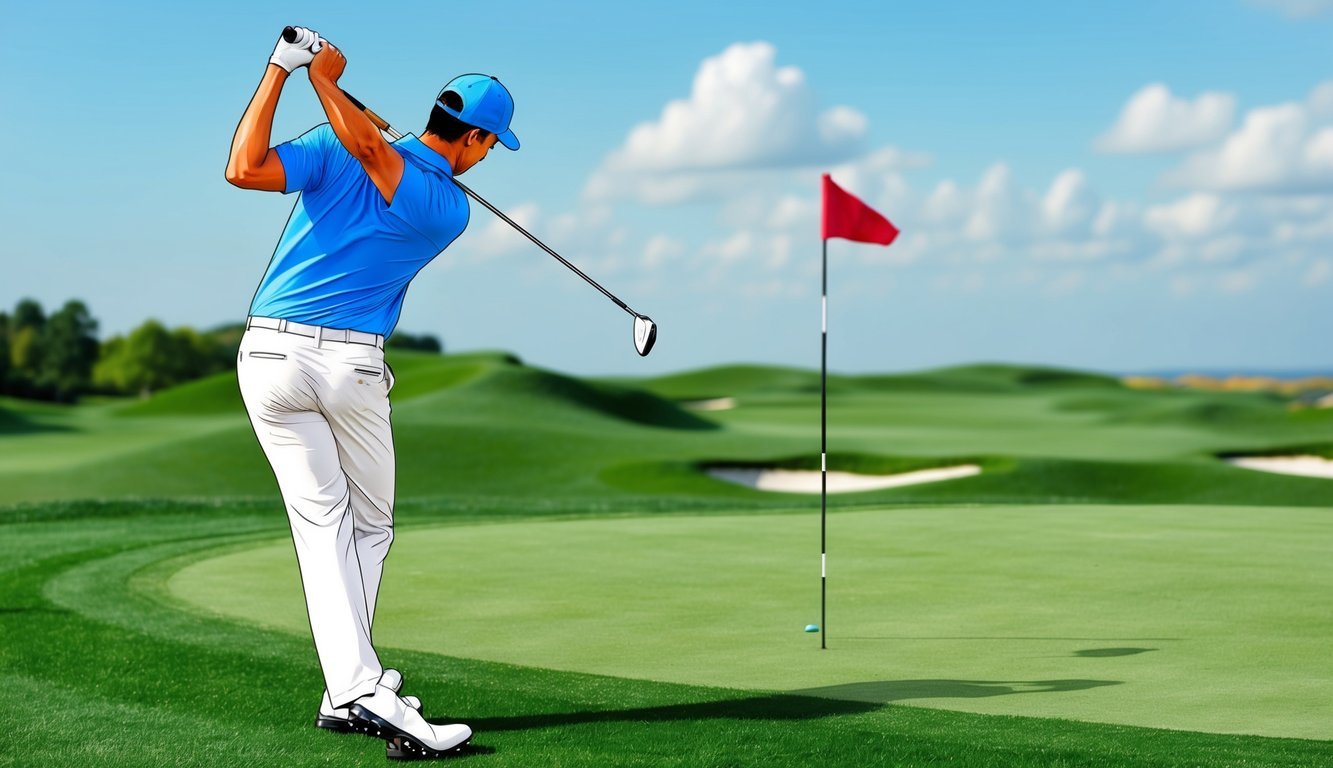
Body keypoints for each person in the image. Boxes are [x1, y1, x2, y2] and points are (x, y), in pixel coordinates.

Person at [224, 26, 519, 759]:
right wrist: (313, 78)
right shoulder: (444, 202)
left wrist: (288, 72)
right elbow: (255, 169)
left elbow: (250, 165)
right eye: (490, 144)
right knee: (358, 526)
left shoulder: (421, 193)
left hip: (265, 356)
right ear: (475, 138)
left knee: (340, 523)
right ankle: (359, 687)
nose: (487, 157)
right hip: (344, 369)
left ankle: (341, 690)